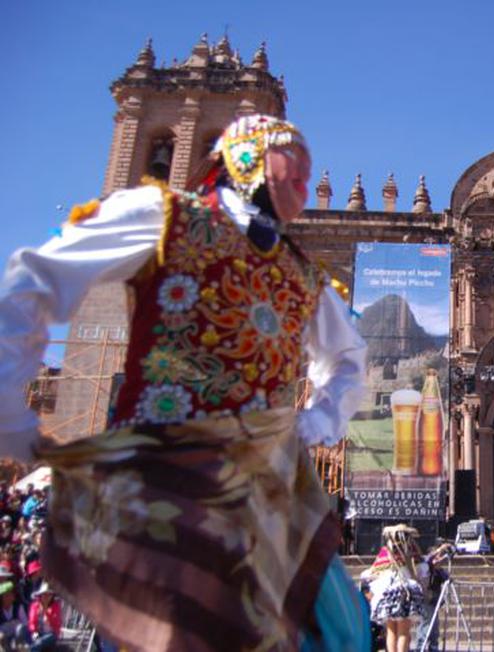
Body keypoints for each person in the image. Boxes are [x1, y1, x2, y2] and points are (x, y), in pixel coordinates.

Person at [0, 114, 371, 651]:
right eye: (295, 162)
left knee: (335, 627)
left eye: (311, 173)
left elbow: (348, 358)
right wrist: (12, 417)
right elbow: (33, 280)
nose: (305, 181)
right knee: (178, 621)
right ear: (245, 157)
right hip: (167, 472)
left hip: (270, 490)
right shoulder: (164, 216)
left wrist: (313, 424)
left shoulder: (303, 272)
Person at [363, 525, 425, 652]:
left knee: (391, 631)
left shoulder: (386, 551)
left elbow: (372, 572)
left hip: (388, 592)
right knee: (404, 632)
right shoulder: (410, 550)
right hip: (406, 590)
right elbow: (422, 569)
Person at [415, 542, 453, 652]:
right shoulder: (426, 568)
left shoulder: (440, 571)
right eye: (437, 557)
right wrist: (440, 549)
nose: (439, 559)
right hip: (426, 599)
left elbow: (448, 579)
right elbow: (427, 559)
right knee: (426, 623)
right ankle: (420, 646)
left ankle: (433, 646)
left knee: (434, 625)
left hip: (434, 601)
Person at [27, 582, 59, 652]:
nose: (46, 597)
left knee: (39, 643)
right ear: (40, 595)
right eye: (44, 594)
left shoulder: (55, 606)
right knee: (36, 640)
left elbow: (56, 623)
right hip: (37, 633)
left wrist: (47, 613)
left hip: (50, 634)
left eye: (49, 595)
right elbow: (31, 622)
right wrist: (34, 632)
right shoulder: (35, 606)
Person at [0, 579, 28, 649]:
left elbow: (25, 624)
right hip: (4, 640)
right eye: (6, 595)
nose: (8, 597)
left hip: (18, 638)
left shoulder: (19, 608)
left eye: (10, 595)